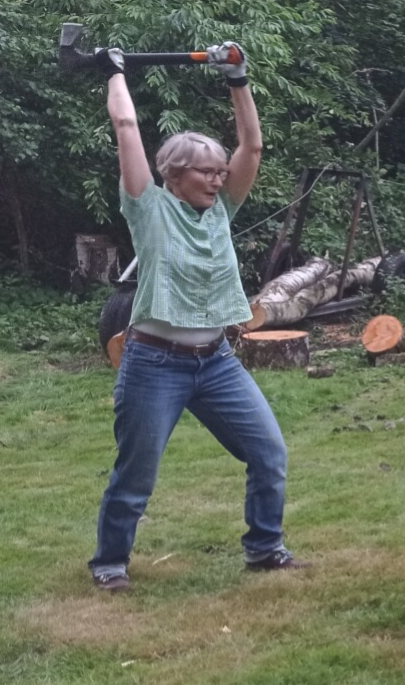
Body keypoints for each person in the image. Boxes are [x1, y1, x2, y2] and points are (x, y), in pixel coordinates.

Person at [88, 42, 308, 592]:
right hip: (153, 364)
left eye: (219, 172)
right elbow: (126, 126)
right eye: (206, 172)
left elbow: (252, 146)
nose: (217, 180)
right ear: (175, 174)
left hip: (217, 362)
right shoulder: (148, 207)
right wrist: (114, 71)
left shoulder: (220, 213)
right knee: (137, 473)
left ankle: (265, 548)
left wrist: (239, 79)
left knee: (269, 454)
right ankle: (110, 563)